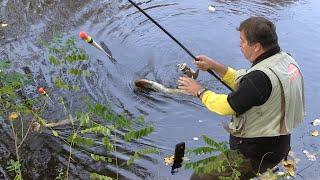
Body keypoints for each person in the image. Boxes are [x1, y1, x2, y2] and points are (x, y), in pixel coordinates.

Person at [178, 17, 305, 179]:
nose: (240, 45)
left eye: (243, 41)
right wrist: (215, 66)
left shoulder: (259, 78)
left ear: (257, 47)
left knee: (200, 177)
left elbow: (226, 106)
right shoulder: (285, 60)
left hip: (255, 156)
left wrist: (199, 91)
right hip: (279, 144)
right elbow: (246, 82)